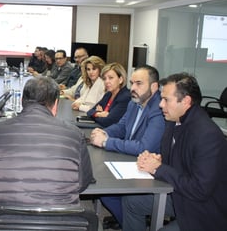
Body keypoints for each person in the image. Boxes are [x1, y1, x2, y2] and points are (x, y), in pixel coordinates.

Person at [122, 73, 227, 231]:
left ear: (185, 101)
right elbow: (180, 159)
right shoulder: (173, 120)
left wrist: (158, 168)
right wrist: (157, 159)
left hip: (203, 207)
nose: (160, 105)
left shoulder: (207, 135)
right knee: (131, 203)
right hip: (180, 194)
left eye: (166, 100)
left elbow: (199, 190)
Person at [0, 76, 95, 208]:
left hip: (5, 222)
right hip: (62, 220)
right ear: (55, 104)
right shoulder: (75, 134)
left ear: (22, 101)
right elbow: (83, 182)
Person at [89, 65, 165, 229]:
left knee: (109, 192)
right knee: (105, 191)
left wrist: (106, 142)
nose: (133, 88)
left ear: (154, 86)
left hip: (149, 169)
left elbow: (145, 146)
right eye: (132, 83)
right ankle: (130, 222)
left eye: (139, 83)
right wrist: (103, 132)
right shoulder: (134, 103)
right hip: (128, 160)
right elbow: (121, 127)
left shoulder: (159, 109)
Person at [86, 62, 130, 127]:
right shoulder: (108, 94)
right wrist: (99, 114)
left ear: (120, 79)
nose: (106, 81)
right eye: (104, 79)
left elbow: (108, 121)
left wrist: (95, 115)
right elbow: (90, 111)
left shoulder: (125, 97)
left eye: (111, 78)